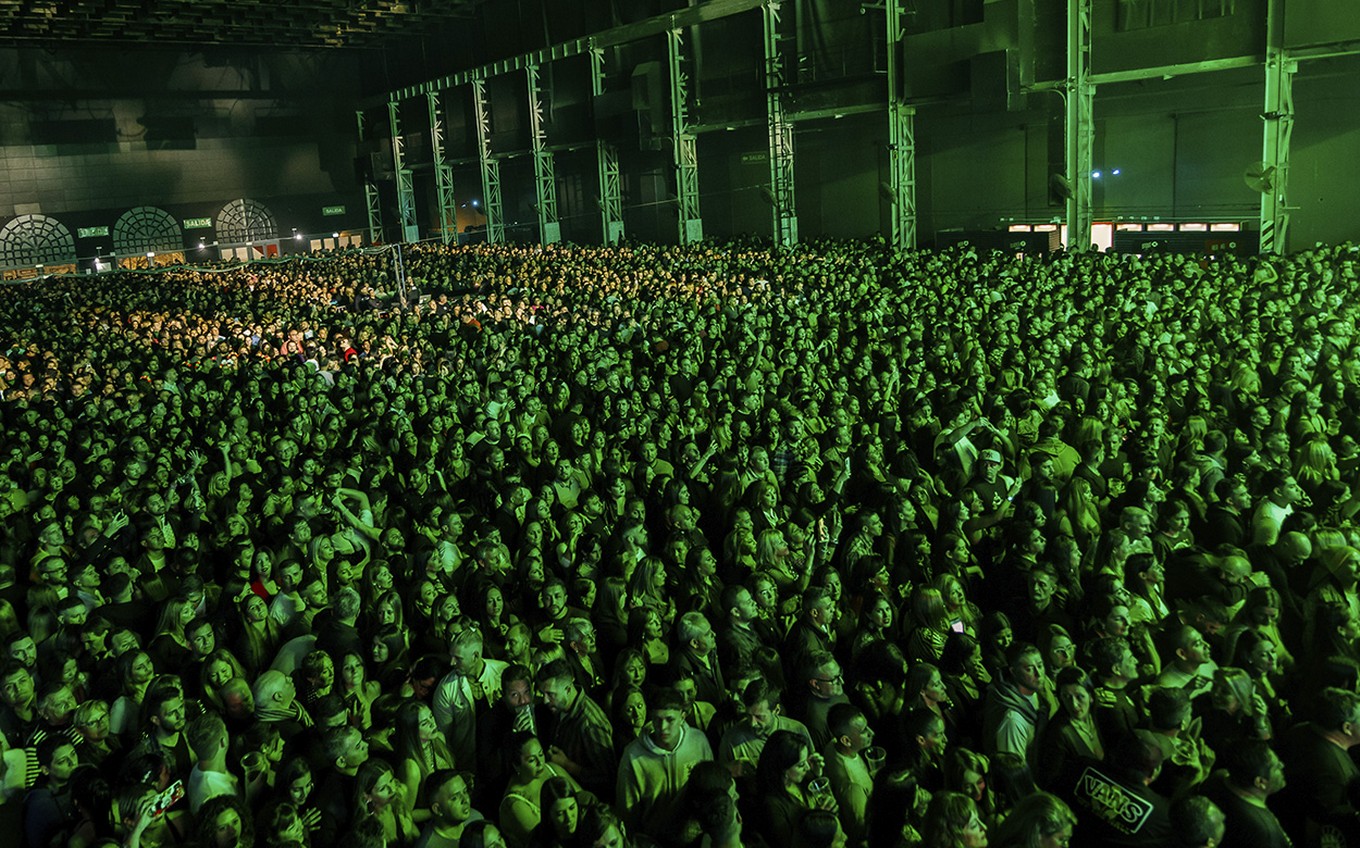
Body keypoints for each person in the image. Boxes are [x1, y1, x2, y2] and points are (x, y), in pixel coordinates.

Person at [614, 687, 713, 840]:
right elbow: (627, 812)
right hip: (655, 840)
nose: (663, 727)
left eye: (670, 720)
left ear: (683, 717)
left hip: (695, 839)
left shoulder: (698, 742)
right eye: (657, 720)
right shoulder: (633, 756)